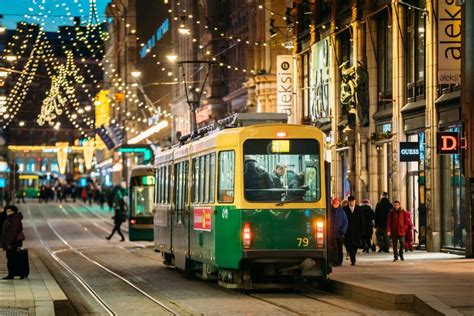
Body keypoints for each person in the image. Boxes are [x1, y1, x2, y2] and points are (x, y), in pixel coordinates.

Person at [1, 205, 25, 279]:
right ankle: (14, 273)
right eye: (7, 211)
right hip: (11, 242)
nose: (8, 212)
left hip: (13, 243)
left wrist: (9, 243)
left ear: (13, 211)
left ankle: (12, 274)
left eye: (9, 211)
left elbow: (13, 232)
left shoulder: (14, 219)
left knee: (12, 258)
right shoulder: (11, 218)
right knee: (11, 258)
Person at [343, 195, 364, 265]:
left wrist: (362, 230)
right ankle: (353, 260)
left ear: (355, 201)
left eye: (352, 201)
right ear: (348, 202)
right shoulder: (345, 209)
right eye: (350, 201)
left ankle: (353, 257)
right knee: (349, 246)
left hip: (356, 231)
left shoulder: (359, 208)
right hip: (348, 231)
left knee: (355, 246)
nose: (351, 203)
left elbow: (361, 220)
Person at [330, 197, 348, 266]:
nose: (335, 205)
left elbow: (345, 222)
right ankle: (336, 261)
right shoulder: (330, 211)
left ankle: (340, 261)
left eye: (337, 203)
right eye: (334, 203)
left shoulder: (342, 212)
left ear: (339, 204)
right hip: (332, 234)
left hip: (340, 234)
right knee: (334, 248)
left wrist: (343, 230)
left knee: (339, 248)